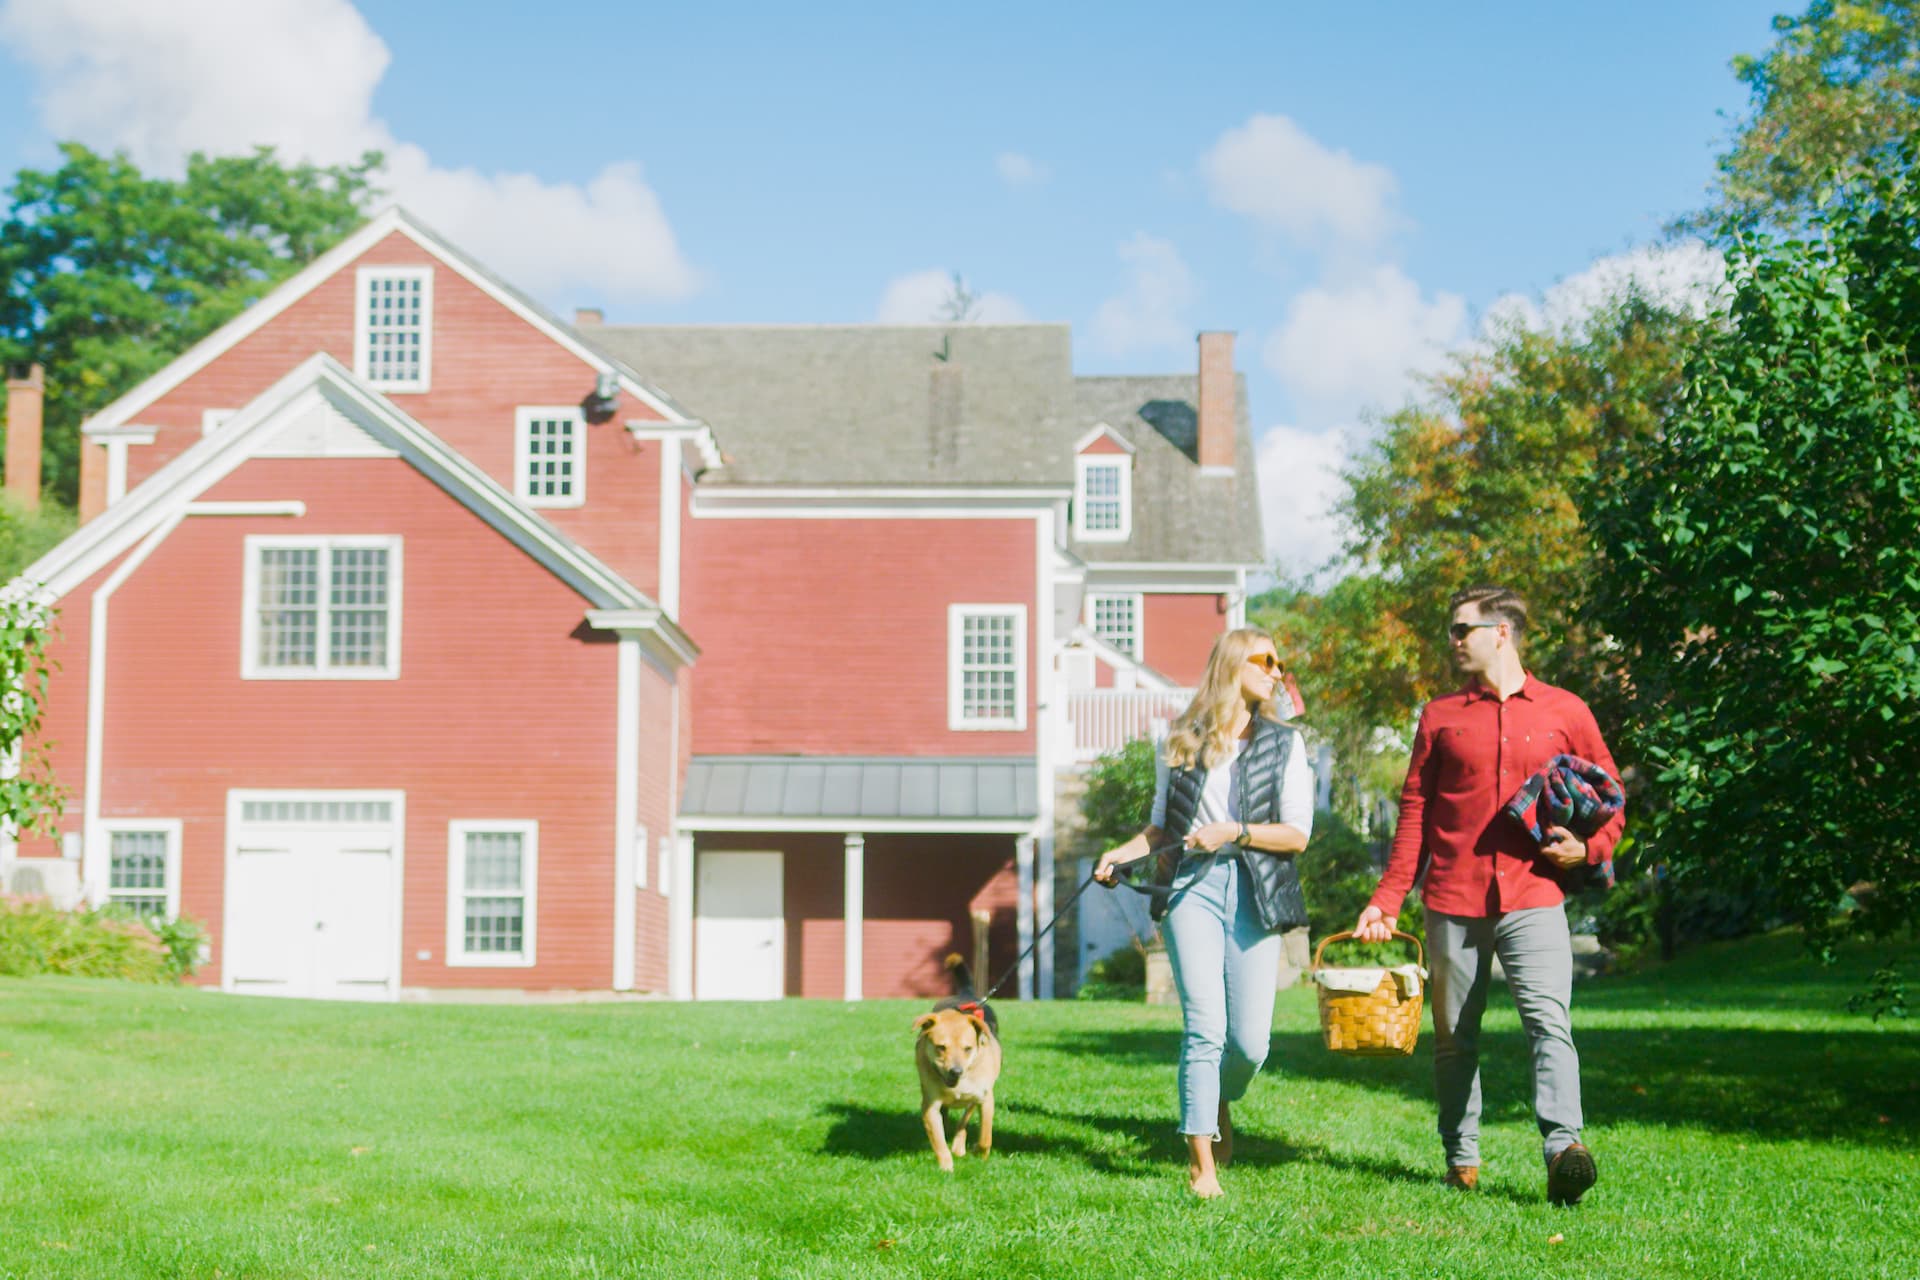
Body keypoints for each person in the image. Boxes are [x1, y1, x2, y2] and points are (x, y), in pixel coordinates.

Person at [1353, 585, 1624, 1206]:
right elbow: (1415, 813)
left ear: (1501, 633)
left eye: (1461, 630)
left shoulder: (1565, 710)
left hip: (1534, 896)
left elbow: (1611, 796)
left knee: (1549, 1023)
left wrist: (1589, 850)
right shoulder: (1440, 716)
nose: (1452, 641)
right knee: (1455, 1037)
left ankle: (1564, 1150)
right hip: (1453, 898)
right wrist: (1388, 897)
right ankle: (1461, 1158)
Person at [1094, 627, 1314, 1199]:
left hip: (1256, 887)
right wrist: (1120, 855)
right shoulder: (1181, 740)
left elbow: (1296, 834)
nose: (1276, 671)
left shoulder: (1284, 744)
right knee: (1205, 1028)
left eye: (1278, 663)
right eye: (1267, 661)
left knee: (1250, 1044)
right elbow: (1160, 827)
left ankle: (1217, 1098)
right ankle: (1201, 1167)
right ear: (1235, 663)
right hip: (1192, 887)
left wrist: (1234, 831)